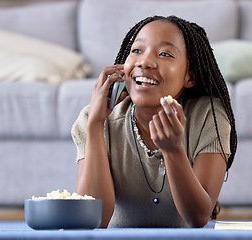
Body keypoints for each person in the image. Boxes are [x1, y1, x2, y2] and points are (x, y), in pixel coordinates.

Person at [71, 15, 237, 228]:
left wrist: (173, 150)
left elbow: (198, 217)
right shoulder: (93, 118)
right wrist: (95, 125)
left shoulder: (209, 116)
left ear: (190, 77)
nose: (144, 61)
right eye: (137, 50)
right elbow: (92, 220)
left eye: (165, 54)